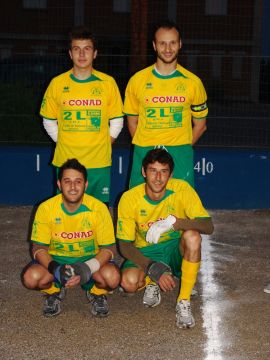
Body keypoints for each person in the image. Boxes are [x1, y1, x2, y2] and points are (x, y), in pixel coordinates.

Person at [116, 149, 214, 329]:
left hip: (174, 249)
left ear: (171, 174)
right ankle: (153, 280)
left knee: (192, 236)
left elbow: (208, 226)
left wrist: (176, 223)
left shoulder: (182, 189)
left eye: (164, 171)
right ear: (144, 172)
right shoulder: (129, 198)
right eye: (153, 170)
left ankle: (183, 300)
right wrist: (153, 268)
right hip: (146, 251)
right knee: (128, 283)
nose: (158, 177)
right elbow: (124, 245)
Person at [22, 158, 120, 317]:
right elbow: (38, 248)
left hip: (90, 261)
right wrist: (56, 269)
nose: (73, 187)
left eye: (78, 181)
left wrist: (86, 268)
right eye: (67, 181)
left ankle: (96, 292)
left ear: (86, 185)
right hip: (56, 260)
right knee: (30, 278)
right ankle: (54, 290)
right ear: (59, 184)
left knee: (113, 278)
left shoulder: (98, 208)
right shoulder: (46, 208)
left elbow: (108, 249)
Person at [40, 26, 123, 203]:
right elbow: (48, 120)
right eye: (77, 49)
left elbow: (117, 120)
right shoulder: (57, 83)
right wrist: (63, 140)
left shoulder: (107, 83)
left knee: (99, 211)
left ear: (95, 53)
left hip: (99, 163)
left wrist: (104, 143)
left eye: (87, 49)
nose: (82, 54)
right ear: (70, 54)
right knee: (67, 212)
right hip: (66, 161)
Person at [124, 20, 208, 188]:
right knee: (140, 207)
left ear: (180, 44)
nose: (168, 49)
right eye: (162, 43)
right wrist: (147, 147)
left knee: (180, 209)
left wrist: (181, 148)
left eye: (172, 43)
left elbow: (200, 125)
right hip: (145, 151)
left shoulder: (193, 83)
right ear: (154, 46)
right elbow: (132, 122)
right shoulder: (137, 81)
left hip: (179, 153)